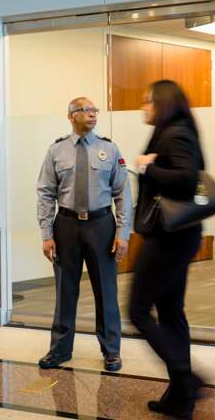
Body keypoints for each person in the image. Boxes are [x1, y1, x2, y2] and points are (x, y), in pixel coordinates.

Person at [36, 97, 132, 372]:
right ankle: (60, 350)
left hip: (101, 225)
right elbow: (45, 192)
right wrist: (46, 233)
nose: (92, 115)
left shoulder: (109, 149)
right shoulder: (56, 150)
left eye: (94, 111)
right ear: (71, 116)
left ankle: (111, 351)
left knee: (106, 290)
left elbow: (123, 193)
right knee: (65, 290)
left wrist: (122, 233)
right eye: (86, 111)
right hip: (65, 225)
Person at [129, 80, 206, 419]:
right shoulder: (178, 129)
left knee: (138, 310)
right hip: (178, 234)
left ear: (162, 103)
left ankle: (185, 379)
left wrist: (147, 166)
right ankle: (180, 398)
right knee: (171, 311)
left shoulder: (175, 133)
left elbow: (187, 177)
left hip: (168, 237)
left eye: (147, 101)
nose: (143, 107)